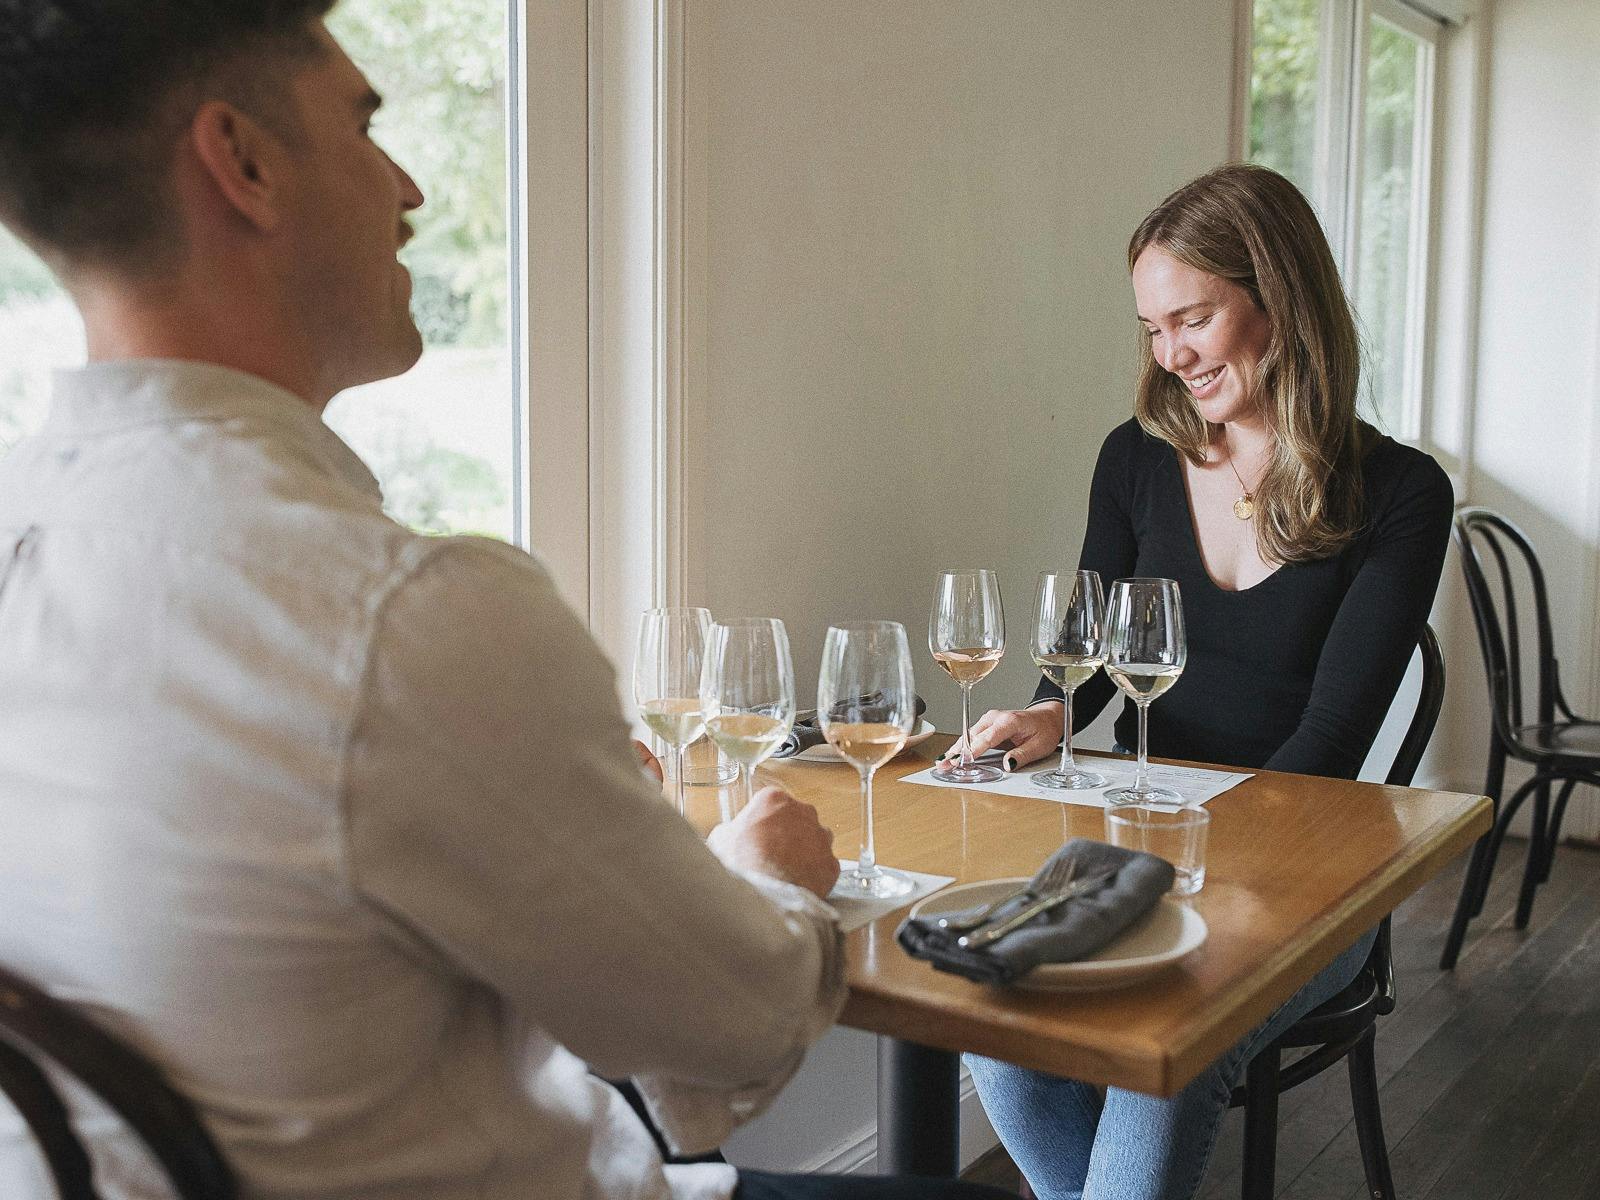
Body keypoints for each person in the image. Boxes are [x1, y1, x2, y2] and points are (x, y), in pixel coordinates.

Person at [0, 4, 1016, 1199]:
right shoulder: (400, 619)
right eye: (366, 125)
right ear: (245, 162)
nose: (410, 186)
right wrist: (762, 870)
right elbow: (735, 1027)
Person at [949, 163, 1454, 1200]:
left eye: (1194, 317)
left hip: (1304, 880)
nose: (1170, 354)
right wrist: (1049, 709)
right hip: (1138, 848)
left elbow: (1328, 744)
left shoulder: (1400, 491)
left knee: (1159, 1055)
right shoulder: (1133, 460)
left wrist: (1173, 866)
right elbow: (1083, 656)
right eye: (1150, 328)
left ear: (1280, 297)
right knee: (991, 1010)